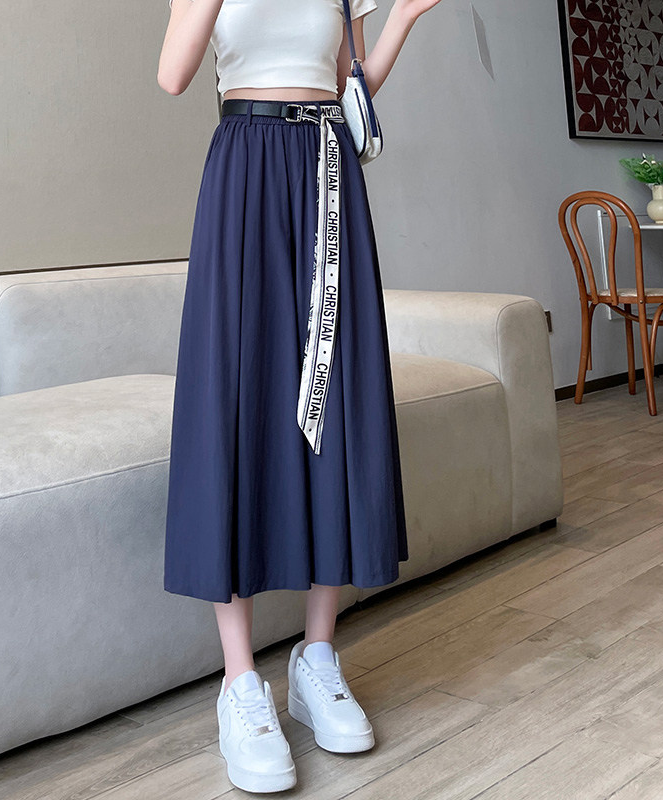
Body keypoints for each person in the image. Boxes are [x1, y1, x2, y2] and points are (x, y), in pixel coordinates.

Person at [158, 0, 442, 792]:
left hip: (327, 170)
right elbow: (173, 74)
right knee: (236, 400)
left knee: (338, 398)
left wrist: (404, 17)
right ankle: (239, 683)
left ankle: (317, 657)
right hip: (244, 169)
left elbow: (351, 83)